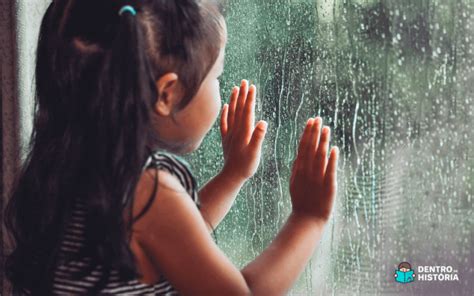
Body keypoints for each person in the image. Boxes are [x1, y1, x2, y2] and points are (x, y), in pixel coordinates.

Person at [4, 0, 339, 295]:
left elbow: (177, 245)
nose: (219, 89)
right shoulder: (146, 190)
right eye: (216, 78)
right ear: (167, 94)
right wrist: (308, 218)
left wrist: (233, 175)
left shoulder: (75, 170)